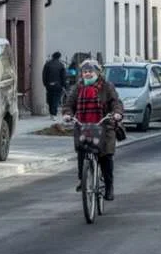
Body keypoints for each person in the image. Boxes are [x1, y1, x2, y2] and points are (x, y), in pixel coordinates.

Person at [61, 60, 124, 200]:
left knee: (106, 156)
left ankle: (109, 186)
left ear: (97, 72)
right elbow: (69, 104)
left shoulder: (107, 86)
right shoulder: (78, 87)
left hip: (104, 125)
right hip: (84, 125)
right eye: (85, 72)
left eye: (90, 71)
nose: (87, 74)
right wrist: (67, 114)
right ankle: (82, 179)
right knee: (82, 151)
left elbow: (116, 102)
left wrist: (117, 113)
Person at [42, 51, 67, 120]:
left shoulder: (47, 64)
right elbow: (63, 76)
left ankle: (51, 113)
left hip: (49, 85)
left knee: (50, 99)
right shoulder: (61, 65)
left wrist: (45, 83)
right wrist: (64, 85)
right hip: (58, 85)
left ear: (53, 56)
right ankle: (53, 114)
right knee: (56, 100)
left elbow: (44, 75)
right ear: (59, 57)